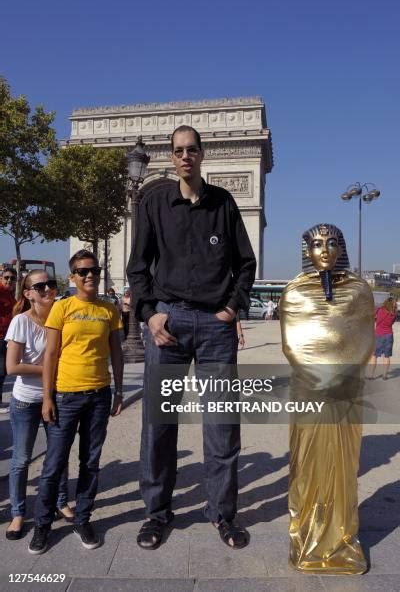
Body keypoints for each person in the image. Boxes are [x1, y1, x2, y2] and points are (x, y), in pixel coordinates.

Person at [127, 125, 256, 550]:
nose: (186, 157)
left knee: (222, 426)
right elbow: (138, 265)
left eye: (192, 150)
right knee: (159, 426)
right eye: (179, 151)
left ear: (203, 155)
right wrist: (149, 315)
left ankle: (222, 515)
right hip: (170, 324)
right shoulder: (153, 203)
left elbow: (245, 263)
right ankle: (156, 513)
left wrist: (231, 309)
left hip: (216, 328)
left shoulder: (225, 202)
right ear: (171, 156)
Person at [280, 223, 374, 574]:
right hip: (310, 389)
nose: (324, 250)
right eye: (317, 244)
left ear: (341, 248)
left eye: (332, 243)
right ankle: (305, 533)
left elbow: (364, 340)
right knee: (308, 464)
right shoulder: (294, 292)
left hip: (347, 390)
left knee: (344, 467)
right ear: (306, 250)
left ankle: (340, 536)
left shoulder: (360, 290)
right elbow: (293, 345)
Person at [29, 249, 124, 555]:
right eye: (83, 271)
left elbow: (117, 353)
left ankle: (82, 518)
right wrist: (47, 397)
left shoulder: (110, 310)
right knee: (54, 464)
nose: (90, 276)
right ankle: (42, 525)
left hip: (99, 395)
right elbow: (51, 355)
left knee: (90, 463)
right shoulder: (62, 307)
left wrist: (119, 391)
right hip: (65, 395)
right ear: (73, 277)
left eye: (94, 270)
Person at [5, 270, 73, 540]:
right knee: (21, 459)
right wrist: (49, 369)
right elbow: (12, 366)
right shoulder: (21, 322)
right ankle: (18, 513)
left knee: (59, 456)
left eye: (51, 284)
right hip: (25, 402)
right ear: (28, 293)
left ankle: (61, 502)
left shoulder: (64, 317)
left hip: (58, 397)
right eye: (40, 286)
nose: (47, 289)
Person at [0, 267, 17, 413]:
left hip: (6, 337)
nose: (9, 280)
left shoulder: (11, 294)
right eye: (6, 277)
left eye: (12, 278)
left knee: (4, 370)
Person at [369, 296, 397, 380]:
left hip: (378, 335)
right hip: (389, 335)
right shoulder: (394, 314)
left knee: (374, 355)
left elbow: (373, 318)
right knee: (387, 356)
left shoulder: (379, 310)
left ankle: (371, 375)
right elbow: (391, 323)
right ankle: (384, 375)